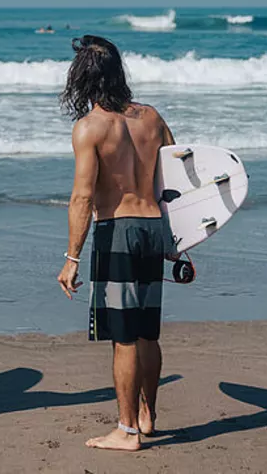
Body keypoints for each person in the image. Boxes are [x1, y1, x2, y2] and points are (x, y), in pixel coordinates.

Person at [55, 35, 176, 452]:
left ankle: (126, 430)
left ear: (83, 79)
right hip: (154, 229)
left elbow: (83, 198)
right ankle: (148, 416)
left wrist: (72, 257)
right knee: (146, 334)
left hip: (118, 231)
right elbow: (176, 181)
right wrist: (178, 241)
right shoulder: (152, 119)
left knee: (123, 337)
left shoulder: (91, 128)